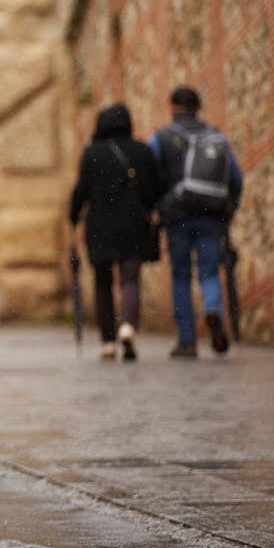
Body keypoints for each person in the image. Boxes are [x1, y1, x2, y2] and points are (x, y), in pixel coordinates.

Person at [148, 86, 243, 358]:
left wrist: (158, 207)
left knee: (180, 275)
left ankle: (187, 339)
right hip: (212, 215)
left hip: (177, 215)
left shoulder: (161, 137)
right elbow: (235, 178)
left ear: (172, 107)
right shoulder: (216, 137)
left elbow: (150, 175)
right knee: (209, 272)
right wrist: (229, 208)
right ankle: (212, 309)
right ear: (198, 108)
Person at [69, 103, 162, 361]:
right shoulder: (141, 151)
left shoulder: (92, 154)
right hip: (133, 224)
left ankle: (108, 341)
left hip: (100, 226)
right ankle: (128, 326)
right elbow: (155, 189)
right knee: (130, 278)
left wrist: (73, 217)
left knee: (103, 282)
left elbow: (81, 191)